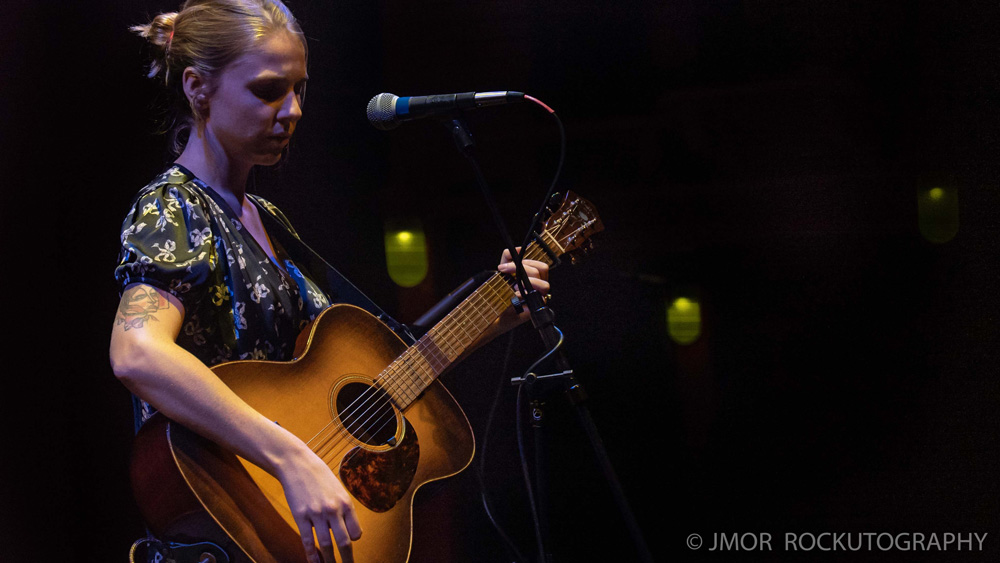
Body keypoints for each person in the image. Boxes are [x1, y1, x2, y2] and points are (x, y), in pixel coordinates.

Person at [109, 2, 550, 563]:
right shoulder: (174, 206)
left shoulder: (268, 220)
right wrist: (290, 458)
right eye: (268, 90)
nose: (292, 110)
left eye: (299, 89)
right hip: (225, 518)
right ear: (198, 88)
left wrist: (489, 317)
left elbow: (361, 384)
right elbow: (138, 353)